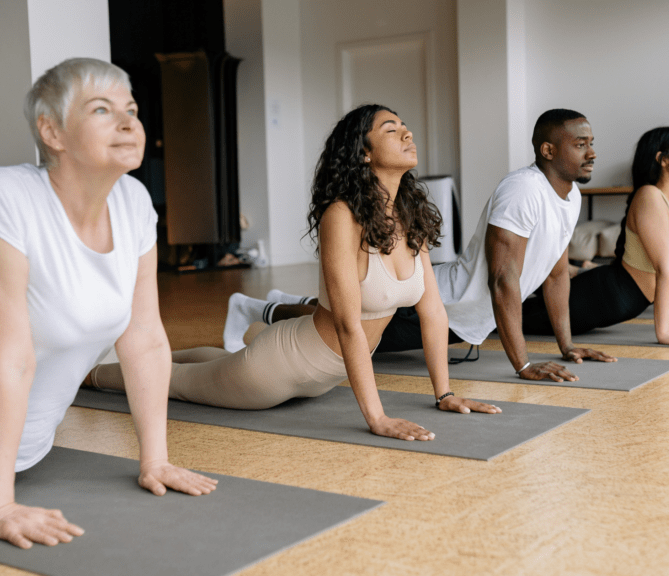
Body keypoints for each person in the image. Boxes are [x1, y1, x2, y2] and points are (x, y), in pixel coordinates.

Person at [0, 58, 217, 550]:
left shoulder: (134, 203)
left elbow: (145, 339)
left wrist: (154, 461)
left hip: (19, 456)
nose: (128, 121)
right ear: (52, 131)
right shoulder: (5, 197)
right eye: (101, 109)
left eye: (131, 109)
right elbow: (11, 356)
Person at [90, 104, 500, 442]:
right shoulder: (341, 216)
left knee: (208, 364)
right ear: (364, 152)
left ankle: (136, 353)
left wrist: (443, 394)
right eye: (392, 130)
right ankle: (87, 373)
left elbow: (434, 314)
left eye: (406, 127)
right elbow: (347, 323)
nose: (408, 134)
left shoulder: (407, 216)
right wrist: (377, 418)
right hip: (276, 371)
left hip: (319, 379)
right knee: (173, 383)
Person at [225, 109, 615, 383]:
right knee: (336, 329)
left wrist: (567, 347)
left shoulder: (570, 197)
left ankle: (272, 301)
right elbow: (503, 280)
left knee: (351, 315)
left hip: (459, 316)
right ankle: (255, 308)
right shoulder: (523, 190)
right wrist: (523, 364)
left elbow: (557, 271)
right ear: (548, 151)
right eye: (581, 144)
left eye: (591, 143)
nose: (592, 152)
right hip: (434, 304)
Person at [524, 127, 669, 345]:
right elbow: (664, 268)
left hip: (621, 300)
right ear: (662, 159)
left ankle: (571, 269)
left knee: (521, 305)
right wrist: (664, 333)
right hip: (602, 298)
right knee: (508, 317)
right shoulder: (649, 196)